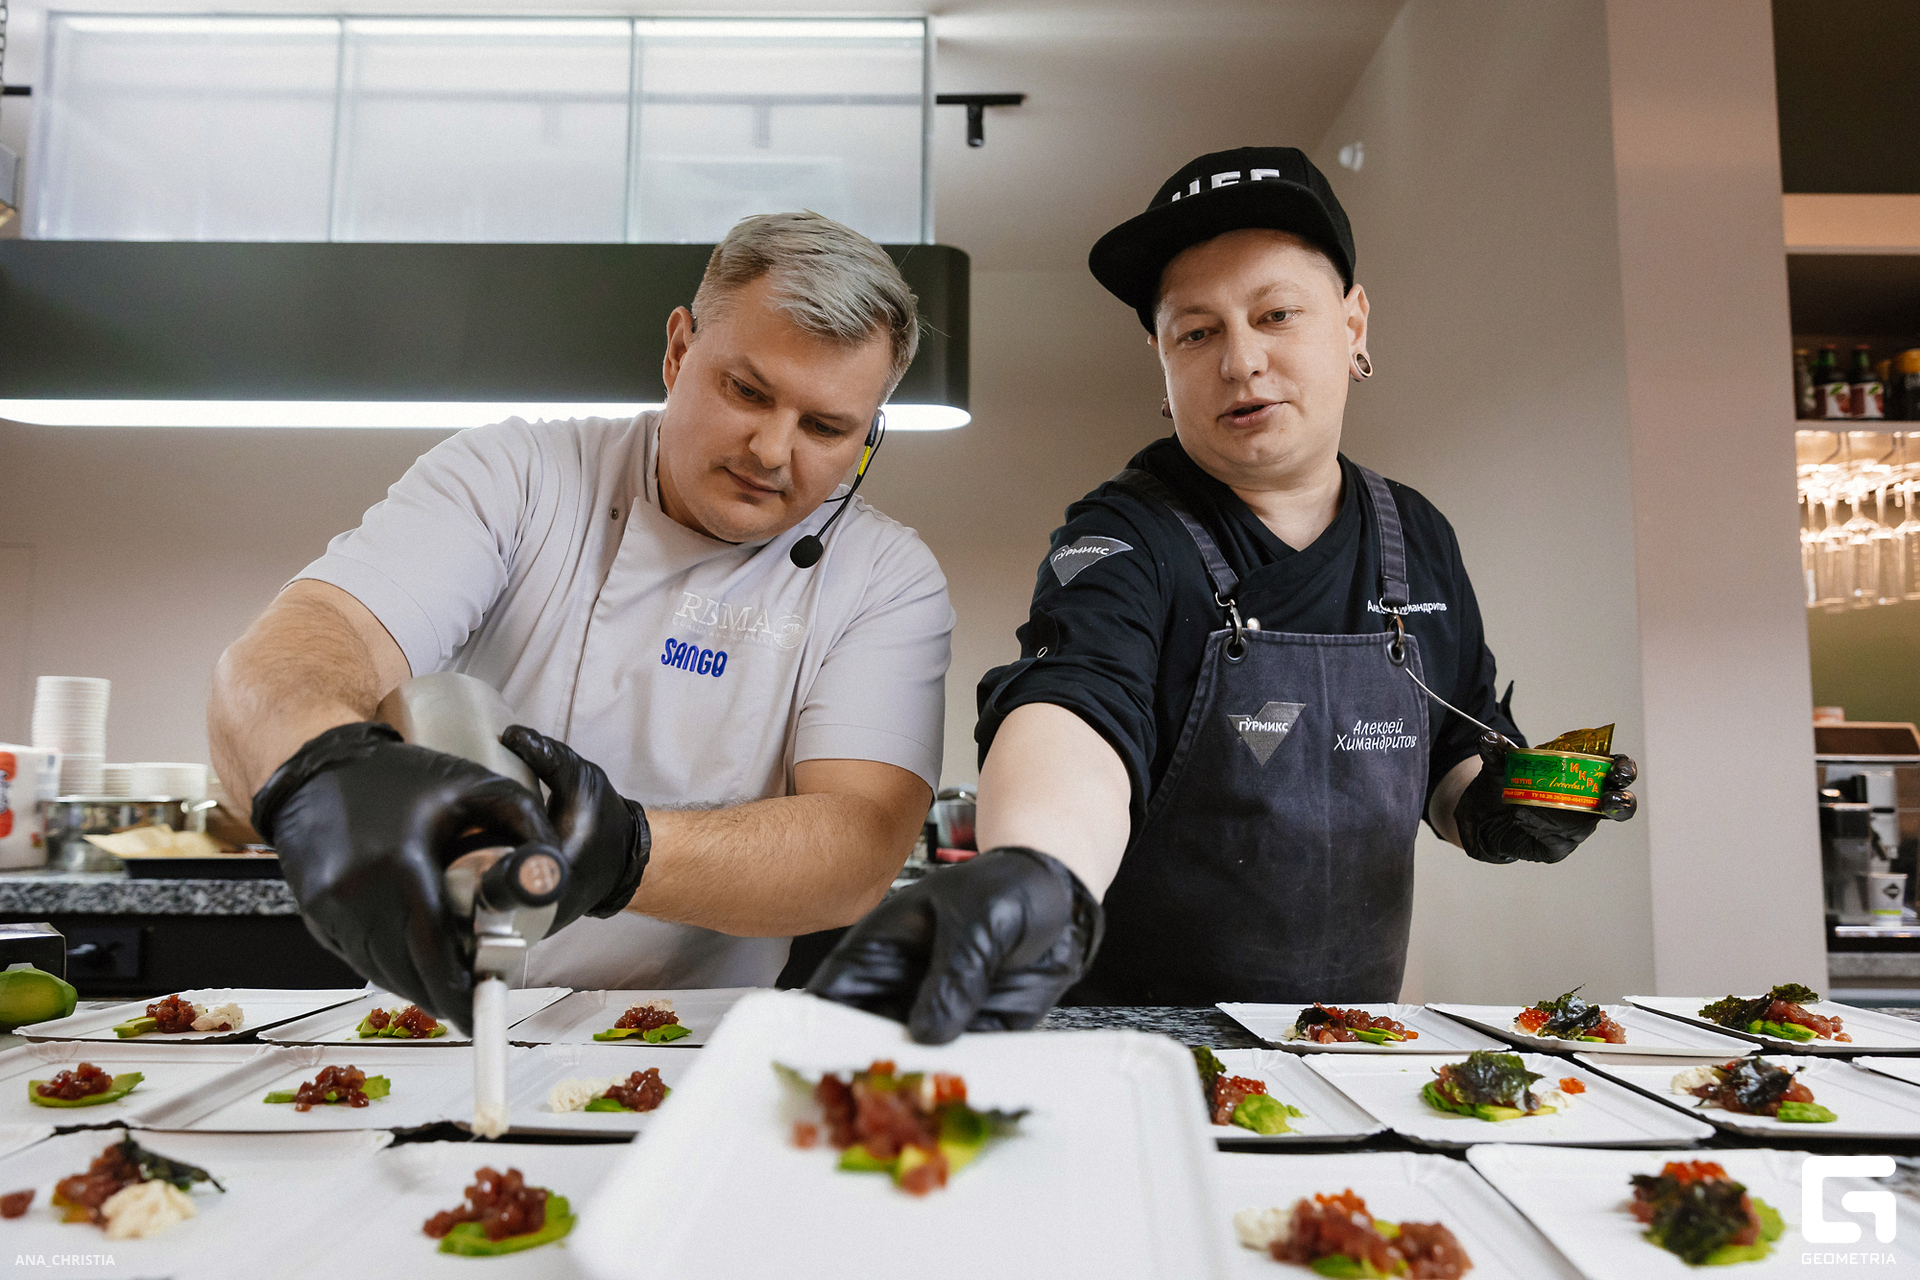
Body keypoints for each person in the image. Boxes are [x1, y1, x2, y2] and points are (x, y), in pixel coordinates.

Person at [808, 147, 1637, 1036]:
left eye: (1276, 315)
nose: (1241, 361)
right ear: (1162, 363)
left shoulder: (1419, 535)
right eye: (1196, 333)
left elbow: (1451, 761)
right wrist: (1038, 867)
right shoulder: (1124, 534)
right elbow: (1075, 710)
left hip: (1348, 1046)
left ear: (1353, 324)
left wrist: (1511, 806)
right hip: (1136, 1046)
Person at [208, 212, 953, 1030]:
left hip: (684, 1039)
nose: (772, 451)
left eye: (825, 428)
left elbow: (857, 847)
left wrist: (626, 852)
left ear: (868, 435)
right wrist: (321, 772)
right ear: (679, 350)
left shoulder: (884, 576)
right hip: (427, 1027)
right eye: (747, 391)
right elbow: (315, 637)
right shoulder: (517, 474)